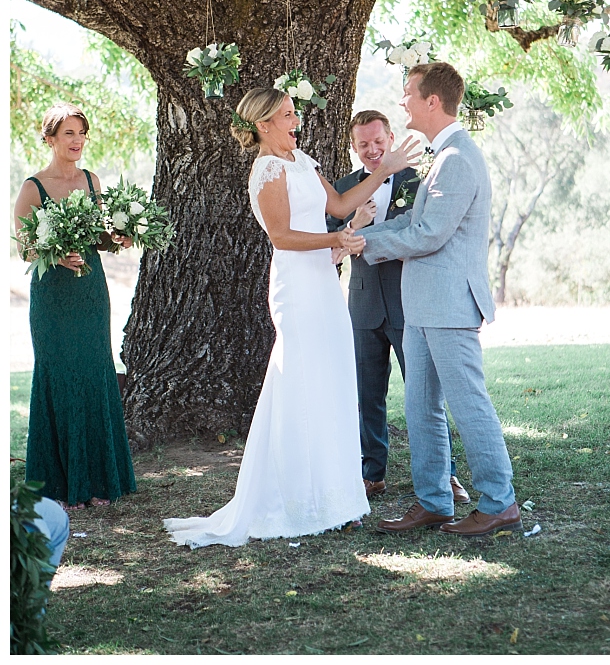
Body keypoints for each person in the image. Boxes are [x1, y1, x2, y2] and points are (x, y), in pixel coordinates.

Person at [163, 87, 419, 547]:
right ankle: (300, 498)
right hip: (297, 288)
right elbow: (282, 237)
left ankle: (338, 498)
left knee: (333, 381)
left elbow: (338, 208)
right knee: (303, 382)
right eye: (286, 114)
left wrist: (385, 170)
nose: (295, 119)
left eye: (293, 111)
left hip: (322, 283)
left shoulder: (302, 160)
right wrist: (338, 241)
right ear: (264, 124)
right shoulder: (267, 169)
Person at [356, 62, 520, 537]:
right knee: (420, 406)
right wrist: (361, 234)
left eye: (408, 93)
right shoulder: (441, 156)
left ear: (432, 101)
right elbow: (410, 225)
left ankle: (499, 502)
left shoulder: (457, 158)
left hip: (449, 306)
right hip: (423, 306)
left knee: (469, 404)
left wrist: (364, 244)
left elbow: (428, 234)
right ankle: (433, 502)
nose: (402, 101)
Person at [328, 110, 468, 503]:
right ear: (353, 147)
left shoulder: (421, 180)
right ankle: (372, 473)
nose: (372, 151)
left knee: (425, 396)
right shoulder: (342, 192)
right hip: (363, 306)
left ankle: (447, 474)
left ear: (391, 138)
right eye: (363, 145)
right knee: (367, 395)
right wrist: (352, 223)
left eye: (378, 142)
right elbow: (332, 249)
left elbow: (426, 234)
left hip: (412, 305)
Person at [14, 103, 136, 509]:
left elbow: (98, 237)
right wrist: (55, 252)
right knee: (59, 376)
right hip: (52, 297)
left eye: (81, 133)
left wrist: (118, 238)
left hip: (90, 294)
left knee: (93, 373)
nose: (77, 141)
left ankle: (100, 479)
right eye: (69, 133)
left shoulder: (90, 180)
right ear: (50, 139)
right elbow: (25, 249)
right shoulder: (33, 187)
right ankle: (61, 486)